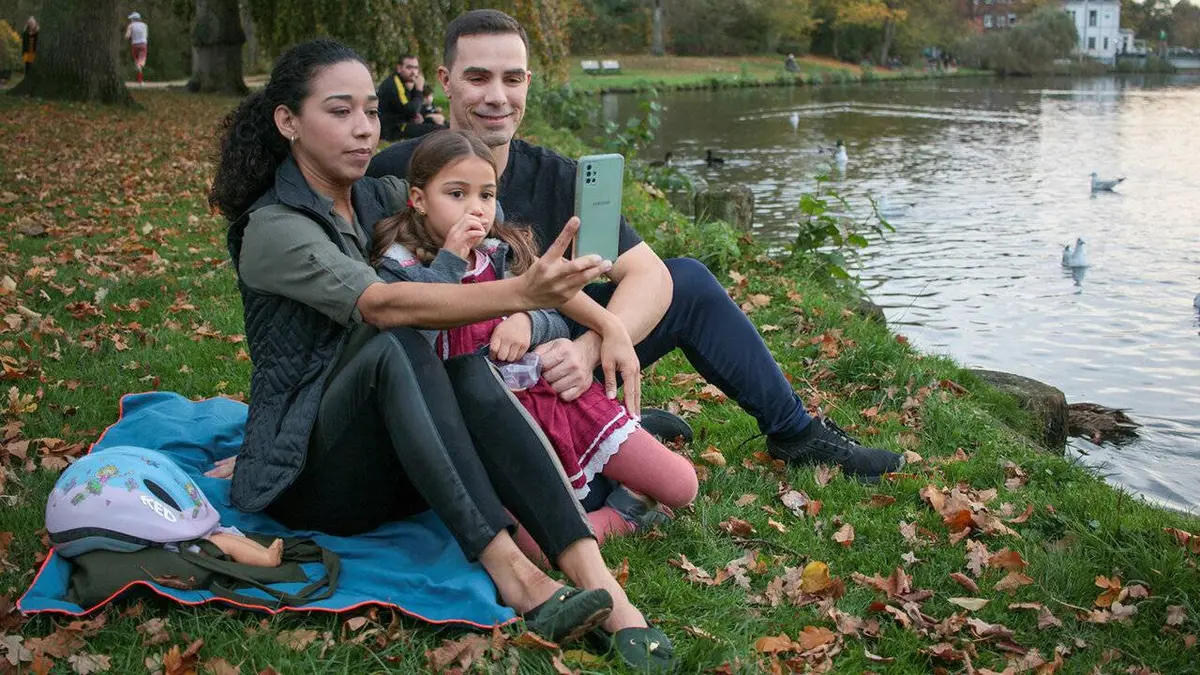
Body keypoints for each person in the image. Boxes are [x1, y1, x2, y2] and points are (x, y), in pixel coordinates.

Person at [208, 38, 676, 671]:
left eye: (371, 111)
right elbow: (383, 306)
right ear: (288, 122)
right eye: (340, 111)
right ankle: (517, 577)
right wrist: (519, 291)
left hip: (404, 460)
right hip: (314, 482)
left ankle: (609, 593)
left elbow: (484, 208)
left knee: (465, 366)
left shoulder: (379, 196)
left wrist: (587, 320)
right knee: (396, 341)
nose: (363, 129)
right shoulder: (275, 228)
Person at [367, 9, 905, 482]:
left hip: (550, 348)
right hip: (461, 373)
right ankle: (605, 424)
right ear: (444, 81)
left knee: (688, 280)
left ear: (529, 82)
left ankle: (796, 435)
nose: (497, 97)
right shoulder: (396, 173)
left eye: (512, 78)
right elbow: (377, 299)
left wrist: (589, 349)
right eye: (477, 77)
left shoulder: (561, 177)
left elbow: (650, 276)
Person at [369, 129, 698, 562]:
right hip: (484, 429)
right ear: (419, 199)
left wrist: (528, 321)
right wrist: (450, 259)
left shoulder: (498, 253)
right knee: (539, 550)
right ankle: (626, 513)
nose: (476, 209)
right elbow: (417, 338)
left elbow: (556, 310)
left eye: (486, 195)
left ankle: (622, 471)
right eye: (456, 193)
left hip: (549, 398)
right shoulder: (400, 266)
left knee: (683, 487)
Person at [376, 55, 445, 141]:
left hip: (407, 123)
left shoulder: (405, 83)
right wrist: (418, 90)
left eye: (416, 68)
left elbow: (415, 107)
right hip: (394, 129)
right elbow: (411, 110)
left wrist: (430, 115)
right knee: (442, 130)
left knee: (446, 125)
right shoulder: (393, 84)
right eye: (409, 67)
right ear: (399, 68)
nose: (413, 72)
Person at [125, 12, 149, 85]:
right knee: (141, 62)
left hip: (135, 45)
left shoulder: (131, 26)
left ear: (133, 19)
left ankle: (139, 77)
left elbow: (127, 36)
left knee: (137, 62)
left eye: (131, 19)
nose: (130, 20)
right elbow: (146, 36)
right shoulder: (144, 25)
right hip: (143, 44)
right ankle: (140, 79)